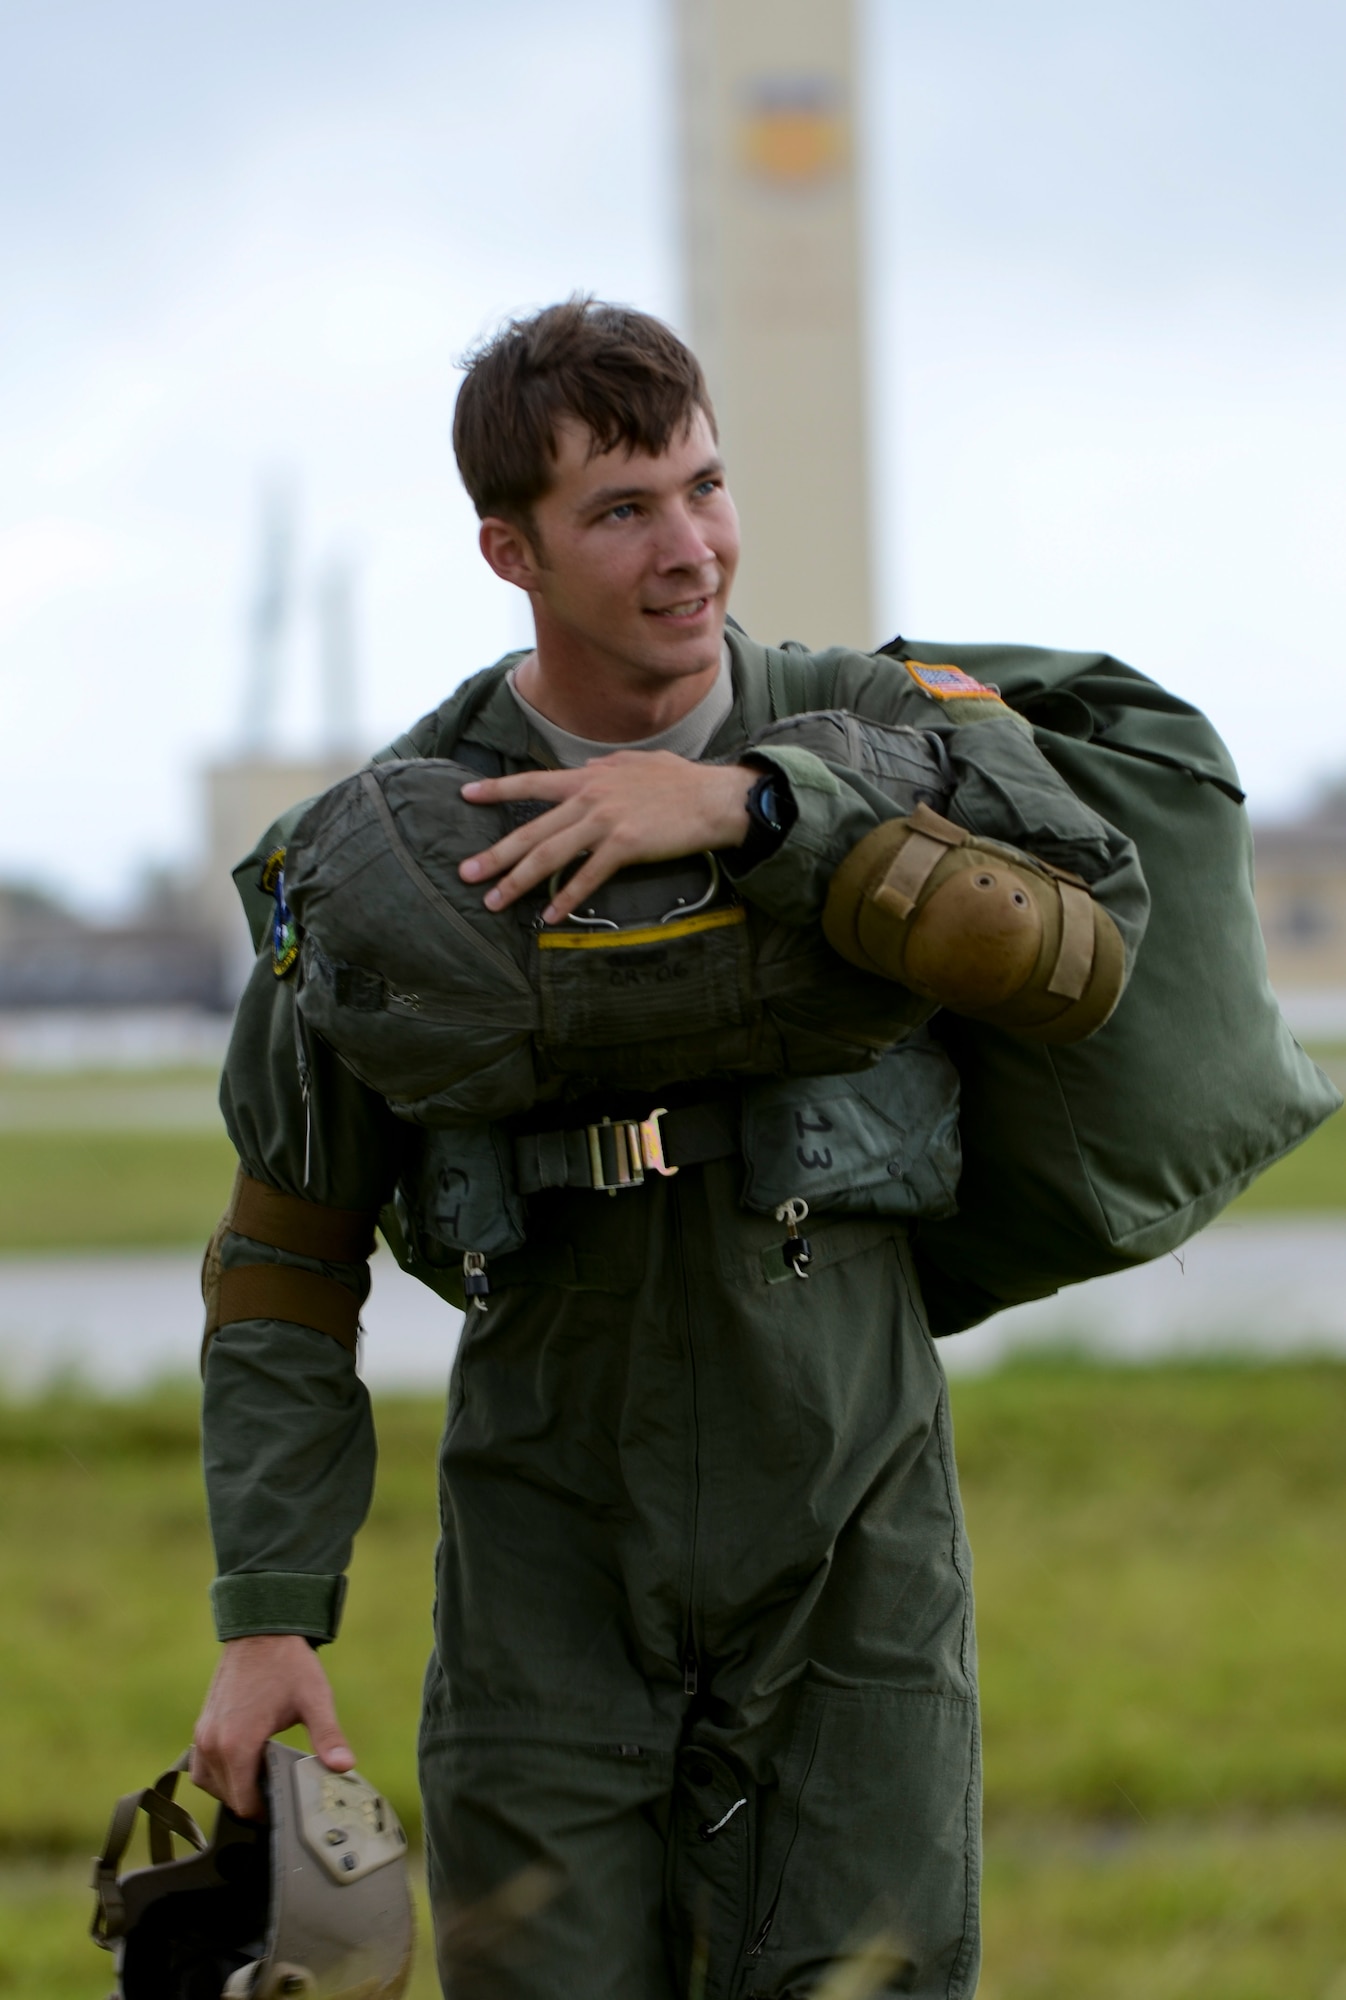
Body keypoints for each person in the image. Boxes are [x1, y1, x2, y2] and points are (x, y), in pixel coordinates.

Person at [191, 299, 1146, 1999]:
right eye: (622, 511)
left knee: (866, 1973)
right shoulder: (388, 851)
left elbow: (1087, 919)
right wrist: (270, 1615)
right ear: (510, 548)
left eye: (703, 486)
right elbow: (286, 1249)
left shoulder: (875, 721)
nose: (688, 549)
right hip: (551, 1524)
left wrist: (759, 806)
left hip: (848, 1503)